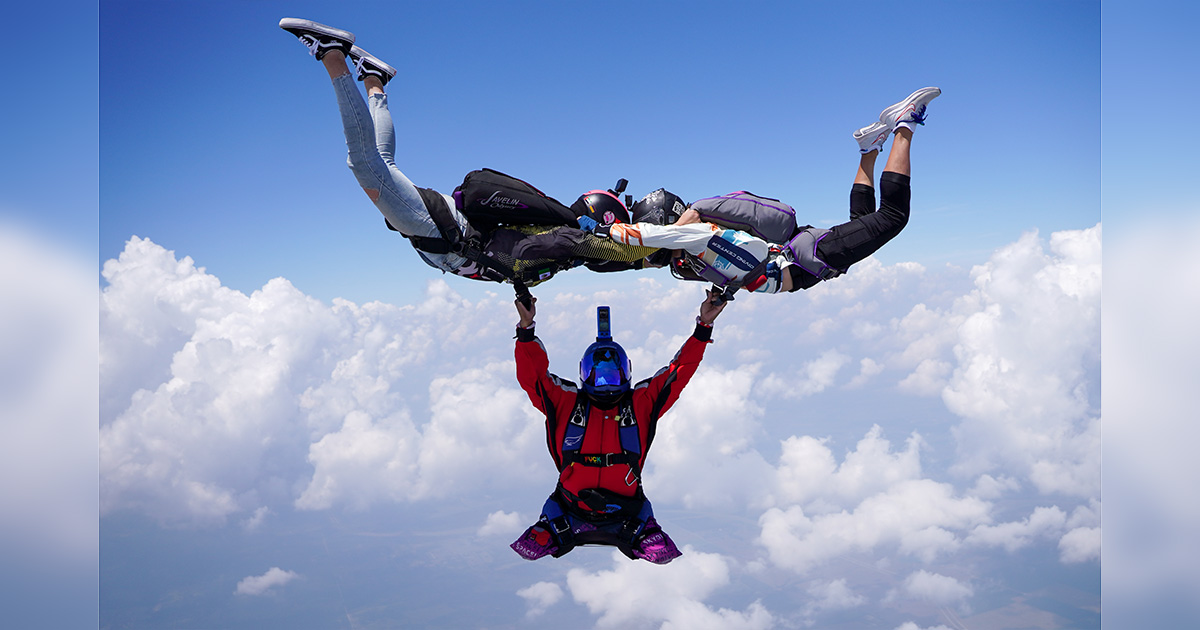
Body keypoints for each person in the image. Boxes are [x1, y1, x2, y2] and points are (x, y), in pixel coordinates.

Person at [279, 18, 659, 289]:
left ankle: (374, 79)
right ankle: (333, 56)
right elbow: (609, 252)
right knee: (364, 163)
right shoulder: (570, 240)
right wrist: (672, 244)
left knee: (381, 162)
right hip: (441, 230)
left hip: (442, 229)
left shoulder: (561, 242)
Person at [596, 87, 941, 297]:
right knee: (864, 222)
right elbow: (731, 263)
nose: (661, 258)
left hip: (806, 256)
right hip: (805, 260)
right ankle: (869, 149)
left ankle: (904, 124)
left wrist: (605, 229)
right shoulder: (694, 253)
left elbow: (655, 237)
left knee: (892, 218)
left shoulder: (694, 234)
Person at [509, 290, 728, 563]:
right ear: (583, 372)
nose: (605, 381)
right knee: (528, 549)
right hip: (568, 511)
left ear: (626, 371)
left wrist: (703, 327)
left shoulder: (640, 404)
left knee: (662, 555)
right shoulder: (565, 402)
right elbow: (533, 376)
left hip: (628, 514)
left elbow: (679, 370)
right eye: (597, 374)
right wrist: (525, 329)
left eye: (613, 373)